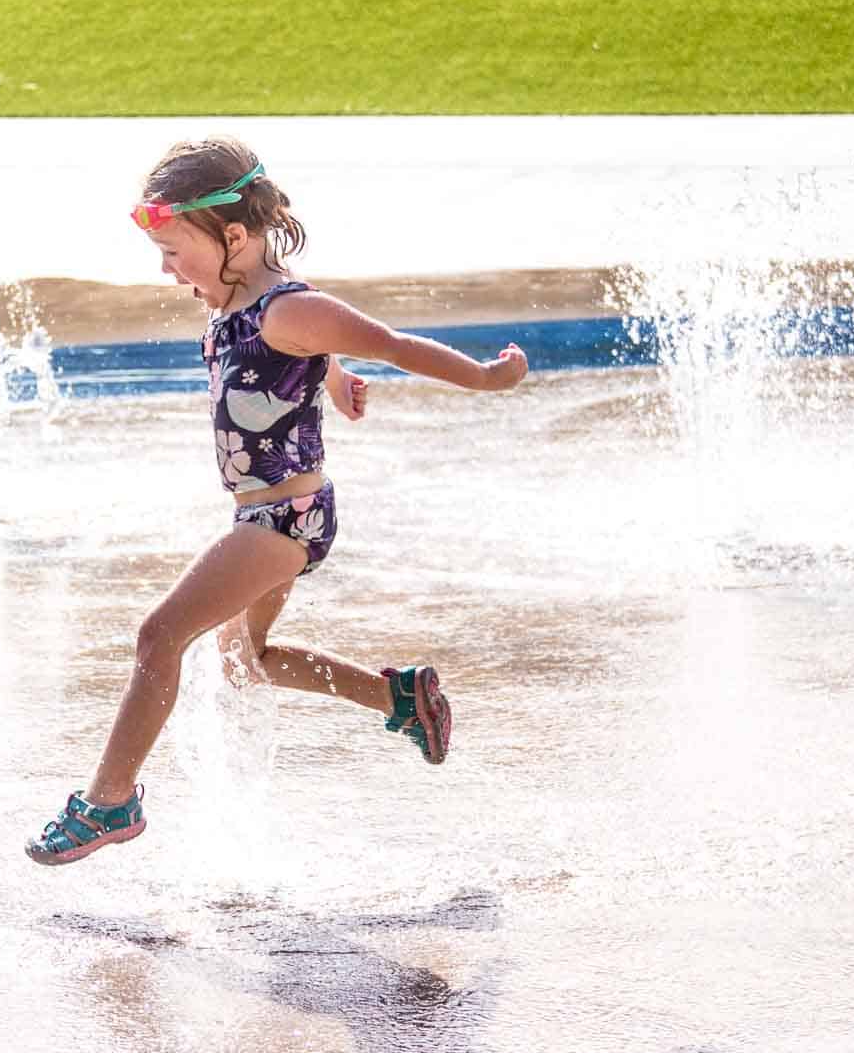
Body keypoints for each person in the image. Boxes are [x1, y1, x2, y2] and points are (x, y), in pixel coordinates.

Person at [26, 137, 530, 868]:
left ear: (235, 235)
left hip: (284, 519)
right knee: (246, 662)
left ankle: (109, 802)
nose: (167, 270)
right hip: (265, 516)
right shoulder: (236, 298)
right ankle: (398, 700)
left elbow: (390, 343)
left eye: (175, 251)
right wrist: (333, 381)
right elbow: (307, 355)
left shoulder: (286, 309)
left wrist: (484, 379)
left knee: (159, 637)